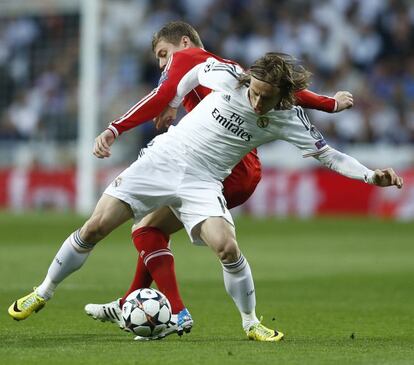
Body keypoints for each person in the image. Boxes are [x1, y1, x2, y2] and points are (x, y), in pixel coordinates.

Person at [9, 51, 402, 343]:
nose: (257, 102)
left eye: (267, 98)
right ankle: (42, 292)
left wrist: (371, 175)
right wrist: (174, 104)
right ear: (250, 81)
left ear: (284, 96)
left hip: (204, 181)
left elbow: (329, 155)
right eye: (256, 92)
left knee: (227, 247)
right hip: (163, 159)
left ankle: (251, 324)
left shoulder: (287, 117)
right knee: (95, 227)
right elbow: (194, 70)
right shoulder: (231, 77)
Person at [84, 21, 354, 339]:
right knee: (149, 231)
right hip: (227, 167)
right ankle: (136, 301)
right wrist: (330, 104)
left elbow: (278, 86)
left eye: (163, 54)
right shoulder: (215, 68)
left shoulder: (199, 61)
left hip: (230, 168)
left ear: (185, 43)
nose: (161, 63)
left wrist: (328, 104)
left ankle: (173, 310)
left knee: (150, 231)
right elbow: (277, 87)